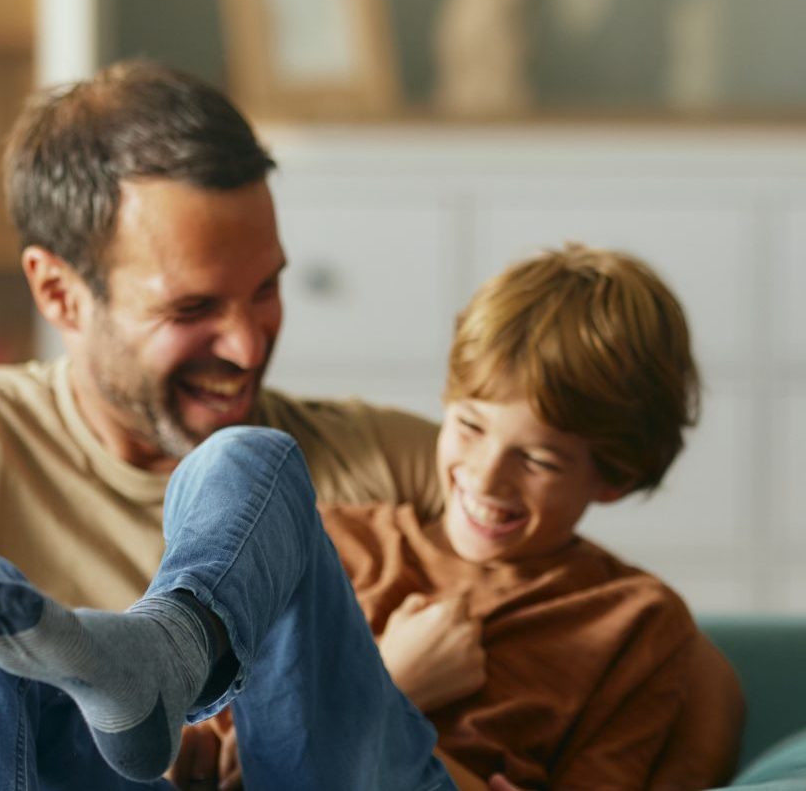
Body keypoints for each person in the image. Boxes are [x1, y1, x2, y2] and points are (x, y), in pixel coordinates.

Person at [0, 59, 460, 791]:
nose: (246, 347)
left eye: (266, 288)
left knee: (250, 459)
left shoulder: (394, 461)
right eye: (192, 308)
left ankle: (166, 659)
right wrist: (94, 706)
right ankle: (155, 676)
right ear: (59, 293)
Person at [161, 245, 745, 790]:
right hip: (268, 768)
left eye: (538, 460)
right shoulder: (338, 539)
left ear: (612, 477)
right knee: (245, 455)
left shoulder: (633, 620)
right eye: (469, 426)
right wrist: (191, 749)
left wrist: (384, 693)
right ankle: (160, 648)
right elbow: (229, 751)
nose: (486, 478)